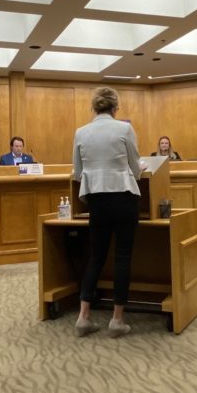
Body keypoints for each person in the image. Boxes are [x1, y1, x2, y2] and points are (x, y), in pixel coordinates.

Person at [73, 87, 143, 339]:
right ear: (115, 108)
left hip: (96, 200)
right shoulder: (124, 129)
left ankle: (83, 317)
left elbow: (77, 172)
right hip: (123, 197)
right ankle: (117, 320)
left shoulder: (81, 132)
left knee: (96, 256)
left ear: (93, 107)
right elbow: (136, 168)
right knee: (122, 257)